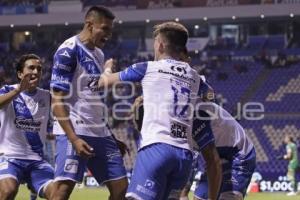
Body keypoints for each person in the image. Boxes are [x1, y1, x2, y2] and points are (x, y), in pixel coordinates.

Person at [98, 21, 222, 200]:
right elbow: (210, 95)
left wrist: (107, 67)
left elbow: (104, 82)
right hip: (184, 157)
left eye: (155, 42)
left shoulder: (148, 67)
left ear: (161, 45)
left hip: (156, 148)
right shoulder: (194, 76)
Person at [50, 6, 128, 200]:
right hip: (75, 130)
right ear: (89, 25)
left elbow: (94, 99)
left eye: (111, 30)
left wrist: (110, 135)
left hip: (99, 132)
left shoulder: (99, 55)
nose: (108, 35)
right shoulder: (68, 50)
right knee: (61, 192)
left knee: (121, 187)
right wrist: (73, 138)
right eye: (105, 29)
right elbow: (56, 99)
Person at [0, 54, 54, 199]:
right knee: (8, 190)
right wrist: (18, 90)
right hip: (9, 157)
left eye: (39, 69)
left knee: (58, 192)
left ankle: (34, 188)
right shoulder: (8, 90)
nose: (36, 72)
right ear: (20, 73)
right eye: (31, 68)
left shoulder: (47, 96)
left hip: (36, 160)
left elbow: (65, 113)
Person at [192, 101, 256, 200]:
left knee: (227, 197)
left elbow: (213, 162)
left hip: (239, 154)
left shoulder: (197, 112)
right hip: (217, 152)